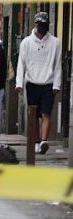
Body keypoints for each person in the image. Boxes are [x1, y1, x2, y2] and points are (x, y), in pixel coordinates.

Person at [16, 11, 63, 154]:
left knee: (46, 113)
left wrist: (57, 84)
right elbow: (21, 64)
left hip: (48, 84)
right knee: (33, 115)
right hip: (32, 82)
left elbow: (57, 65)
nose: (42, 27)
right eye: (40, 24)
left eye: (44, 24)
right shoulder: (26, 42)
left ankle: (43, 141)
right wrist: (19, 83)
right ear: (35, 24)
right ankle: (36, 141)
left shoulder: (55, 43)